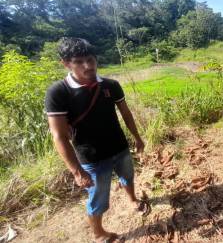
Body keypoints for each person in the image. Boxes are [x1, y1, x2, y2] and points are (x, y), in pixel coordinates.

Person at [45, 37, 148, 243]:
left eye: (91, 59)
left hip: (119, 147)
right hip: (91, 158)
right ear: (65, 63)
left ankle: (132, 199)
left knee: (127, 176)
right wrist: (77, 171)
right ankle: (99, 233)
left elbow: (126, 114)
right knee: (98, 197)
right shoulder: (58, 92)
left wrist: (137, 138)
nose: (88, 66)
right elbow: (59, 135)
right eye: (79, 61)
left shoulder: (111, 85)